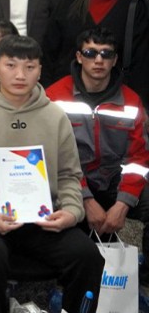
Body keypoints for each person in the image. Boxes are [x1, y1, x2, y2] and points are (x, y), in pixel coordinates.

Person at [0, 35, 104, 313]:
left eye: (29, 67)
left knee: (88, 256)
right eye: (11, 65)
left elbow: (69, 174)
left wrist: (71, 211)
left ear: (40, 70)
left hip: (42, 219)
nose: (20, 75)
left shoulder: (55, 116)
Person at [46, 26, 149, 280]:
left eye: (106, 54)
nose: (99, 60)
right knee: (75, 240)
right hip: (71, 180)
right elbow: (53, 157)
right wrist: (86, 200)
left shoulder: (131, 101)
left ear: (115, 60)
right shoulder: (54, 97)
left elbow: (138, 160)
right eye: (91, 53)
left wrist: (123, 204)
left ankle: (143, 277)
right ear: (79, 57)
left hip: (114, 179)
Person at [43, 0, 149, 105]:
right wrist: (47, 94)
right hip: (65, 96)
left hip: (115, 100)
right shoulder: (68, 2)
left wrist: (139, 104)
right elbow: (49, 53)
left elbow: (141, 64)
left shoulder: (135, 8)